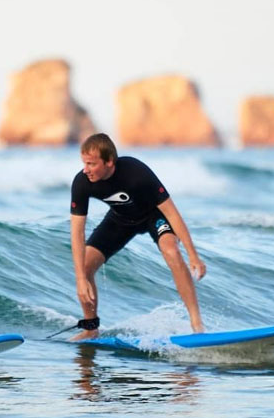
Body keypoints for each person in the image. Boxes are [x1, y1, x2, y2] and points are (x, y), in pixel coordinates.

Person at [69, 133, 206, 340]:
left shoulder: (136, 172)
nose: (85, 169)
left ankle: (197, 325)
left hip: (153, 216)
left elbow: (172, 213)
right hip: (121, 219)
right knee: (85, 265)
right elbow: (77, 231)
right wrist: (80, 278)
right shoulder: (82, 182)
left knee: (171, 251)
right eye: (84, 163)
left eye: (91, 164)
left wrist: (193, 255)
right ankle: (91, 328)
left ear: (109, 162)